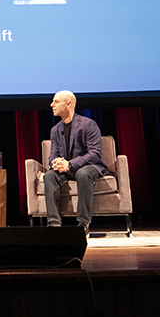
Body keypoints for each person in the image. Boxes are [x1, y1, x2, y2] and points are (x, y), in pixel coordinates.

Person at [43, 90, 106, 235]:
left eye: (56, 101)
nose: (52, 105)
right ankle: (54, 224)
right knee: (49, 176)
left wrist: (70, 164)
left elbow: (95, 154)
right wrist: (56, 163)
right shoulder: (55, 130)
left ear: (68, 104)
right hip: (67, 169)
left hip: (89, 166)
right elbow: (52, 156)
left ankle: (83, 224)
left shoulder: (88, 124)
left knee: (83, 174)